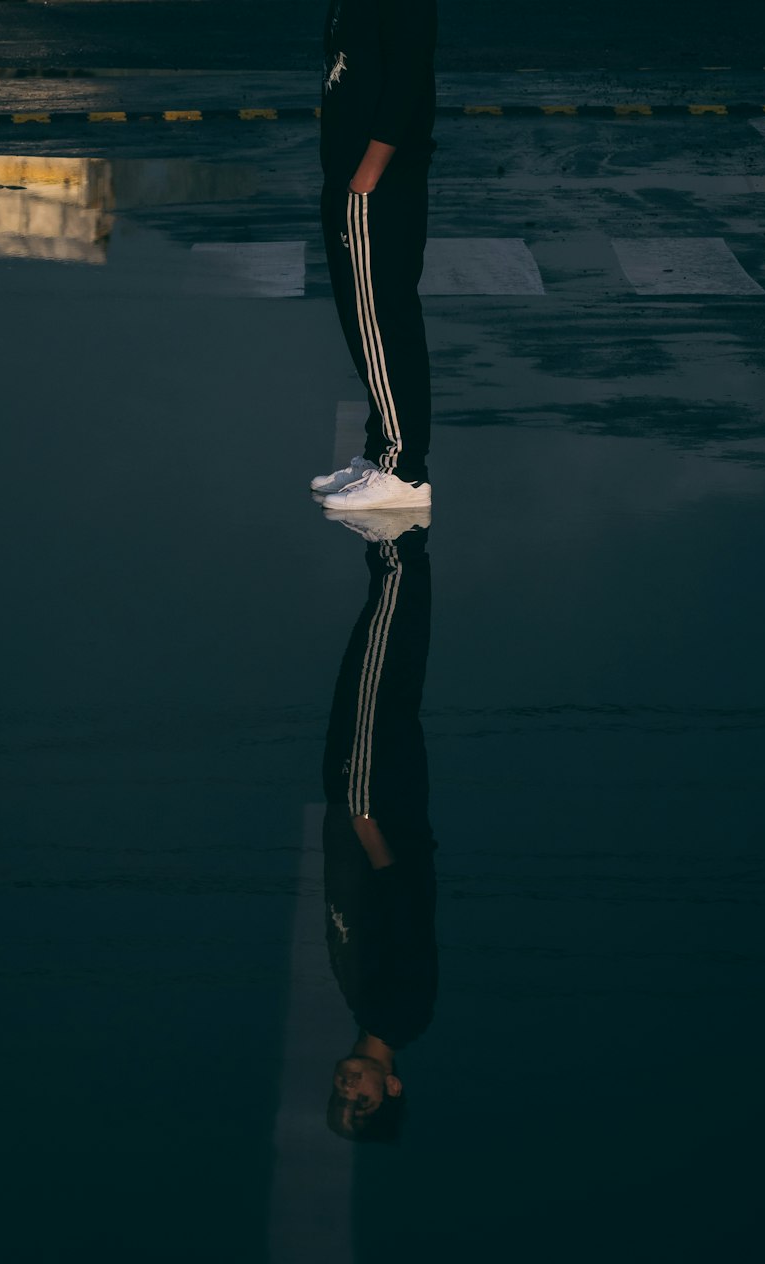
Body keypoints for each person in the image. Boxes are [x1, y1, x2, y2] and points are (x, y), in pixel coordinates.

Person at [320, 509, 437, 1141]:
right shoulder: (402, 1012)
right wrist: (364, 818)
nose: (347, 1093)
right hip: (375, 807)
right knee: (379, 671)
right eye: (361, 1104)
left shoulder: (367, 1007)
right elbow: (404, 909)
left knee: (374, 674)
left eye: (339, 1104)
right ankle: (398, 538)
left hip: (361, 806)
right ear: (390, 1087)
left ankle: (399, 548)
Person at [311, 0, 438, 512]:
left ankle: (403, 471)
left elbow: (409, 79)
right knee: (363, 320)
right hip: (350, 176)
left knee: (383, 322)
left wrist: (368, 174)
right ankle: (380, 453)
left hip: (377, 182)